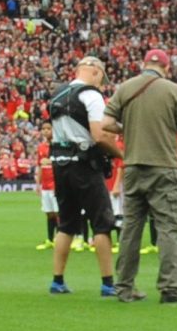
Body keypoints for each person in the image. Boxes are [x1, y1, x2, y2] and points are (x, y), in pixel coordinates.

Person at [107, 48, 177, 304]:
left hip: (133, 165)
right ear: (166, 67)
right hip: (163, 166)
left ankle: (124, 287)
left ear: (143, 63)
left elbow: (105, 123)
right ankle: (170, 288)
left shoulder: (125, 87)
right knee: (168, 228)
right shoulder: (173, 90)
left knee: (131, 229)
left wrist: (129, 127)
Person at [46, 56, 122, 297]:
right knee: (101, 223)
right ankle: (108, 283)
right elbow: (99, 135)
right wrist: (120, 154)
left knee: (66, 224)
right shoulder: (91, 96)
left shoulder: (57, 95)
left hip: (60, 164)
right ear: (97, 73)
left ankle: (57, 280)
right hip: (85, 164)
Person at [35, 136, 59, 250]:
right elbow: (40, 166)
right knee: (49, 213)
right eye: (44, 129)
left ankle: (60, 239)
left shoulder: (58, 146)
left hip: (56, 184)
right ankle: (50, 239)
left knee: (58, 213)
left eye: (48, 129)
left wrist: (50, 161)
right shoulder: (41, 147)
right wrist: (38, 184)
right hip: (45, 185)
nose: (46, 131)